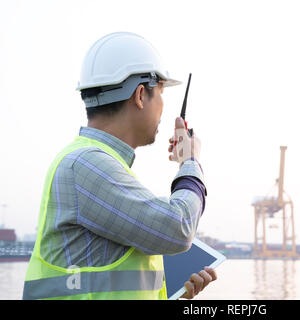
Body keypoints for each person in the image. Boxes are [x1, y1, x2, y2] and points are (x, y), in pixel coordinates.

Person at [22, 32, 215, 300]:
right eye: (160, 92)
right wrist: (190, 161)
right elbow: (179, 228)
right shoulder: (87, 165)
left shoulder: (97, 165)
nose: (162, 107)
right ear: (139, 95)